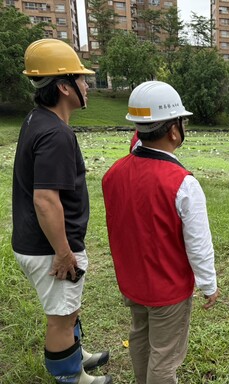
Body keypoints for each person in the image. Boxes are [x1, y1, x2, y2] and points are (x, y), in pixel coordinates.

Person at [102, 80, 219, 384]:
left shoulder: (113, 174)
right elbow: (198, 244)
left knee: (141, 337)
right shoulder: (183, 183)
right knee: (165, 356)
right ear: (173, 130)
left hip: (132, 282)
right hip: (168, 290)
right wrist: (209, 284)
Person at [11, 39, 112, 383]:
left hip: (39, 242)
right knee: (60, 316)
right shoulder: (55, 134)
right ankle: (70, 376)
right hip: (48, 247)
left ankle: (75, 352)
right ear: (65, 86)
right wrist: (64, 252)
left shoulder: (38, 120)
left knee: (68, 308)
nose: (87, 85)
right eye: (82, 79)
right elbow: (45, 200)